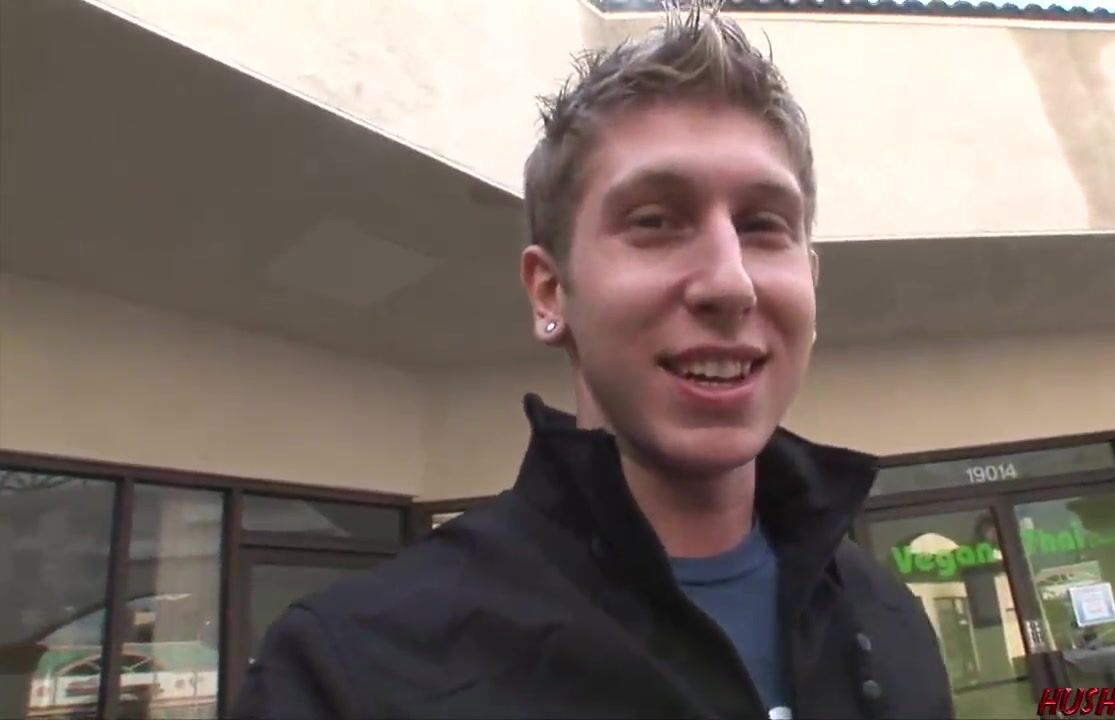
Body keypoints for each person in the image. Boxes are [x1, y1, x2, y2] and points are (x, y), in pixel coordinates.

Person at [231, 2, 952, 718]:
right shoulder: (350, 674)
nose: (731, 282)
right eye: (655, 221)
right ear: (551, 292)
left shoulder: (891, 623)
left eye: (764, 226)